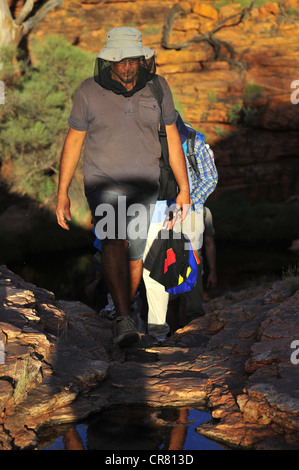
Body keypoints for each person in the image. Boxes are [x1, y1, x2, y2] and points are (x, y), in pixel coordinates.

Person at [56, 27, 191, 348]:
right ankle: (123, 315)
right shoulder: (88, 91)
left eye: (133, 60)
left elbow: (172, 139)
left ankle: (121, 313)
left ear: (142, 60)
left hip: (146, 184)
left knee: (135, 254)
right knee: (114, 239)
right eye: (120, 61)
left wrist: (184, 188)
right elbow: (74, 141)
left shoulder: (159, 87)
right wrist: (61, 193)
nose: (127, 67)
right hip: (104, 182)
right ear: (109, 62)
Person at [142, 115, 218, 343]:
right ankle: (159, 330)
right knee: (154, 268)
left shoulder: (195, 142)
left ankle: (194, 322)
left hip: (190, 210)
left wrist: (187, 201)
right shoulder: (147, 140)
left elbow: (210, 178)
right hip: (156, 212)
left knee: (192, 263)